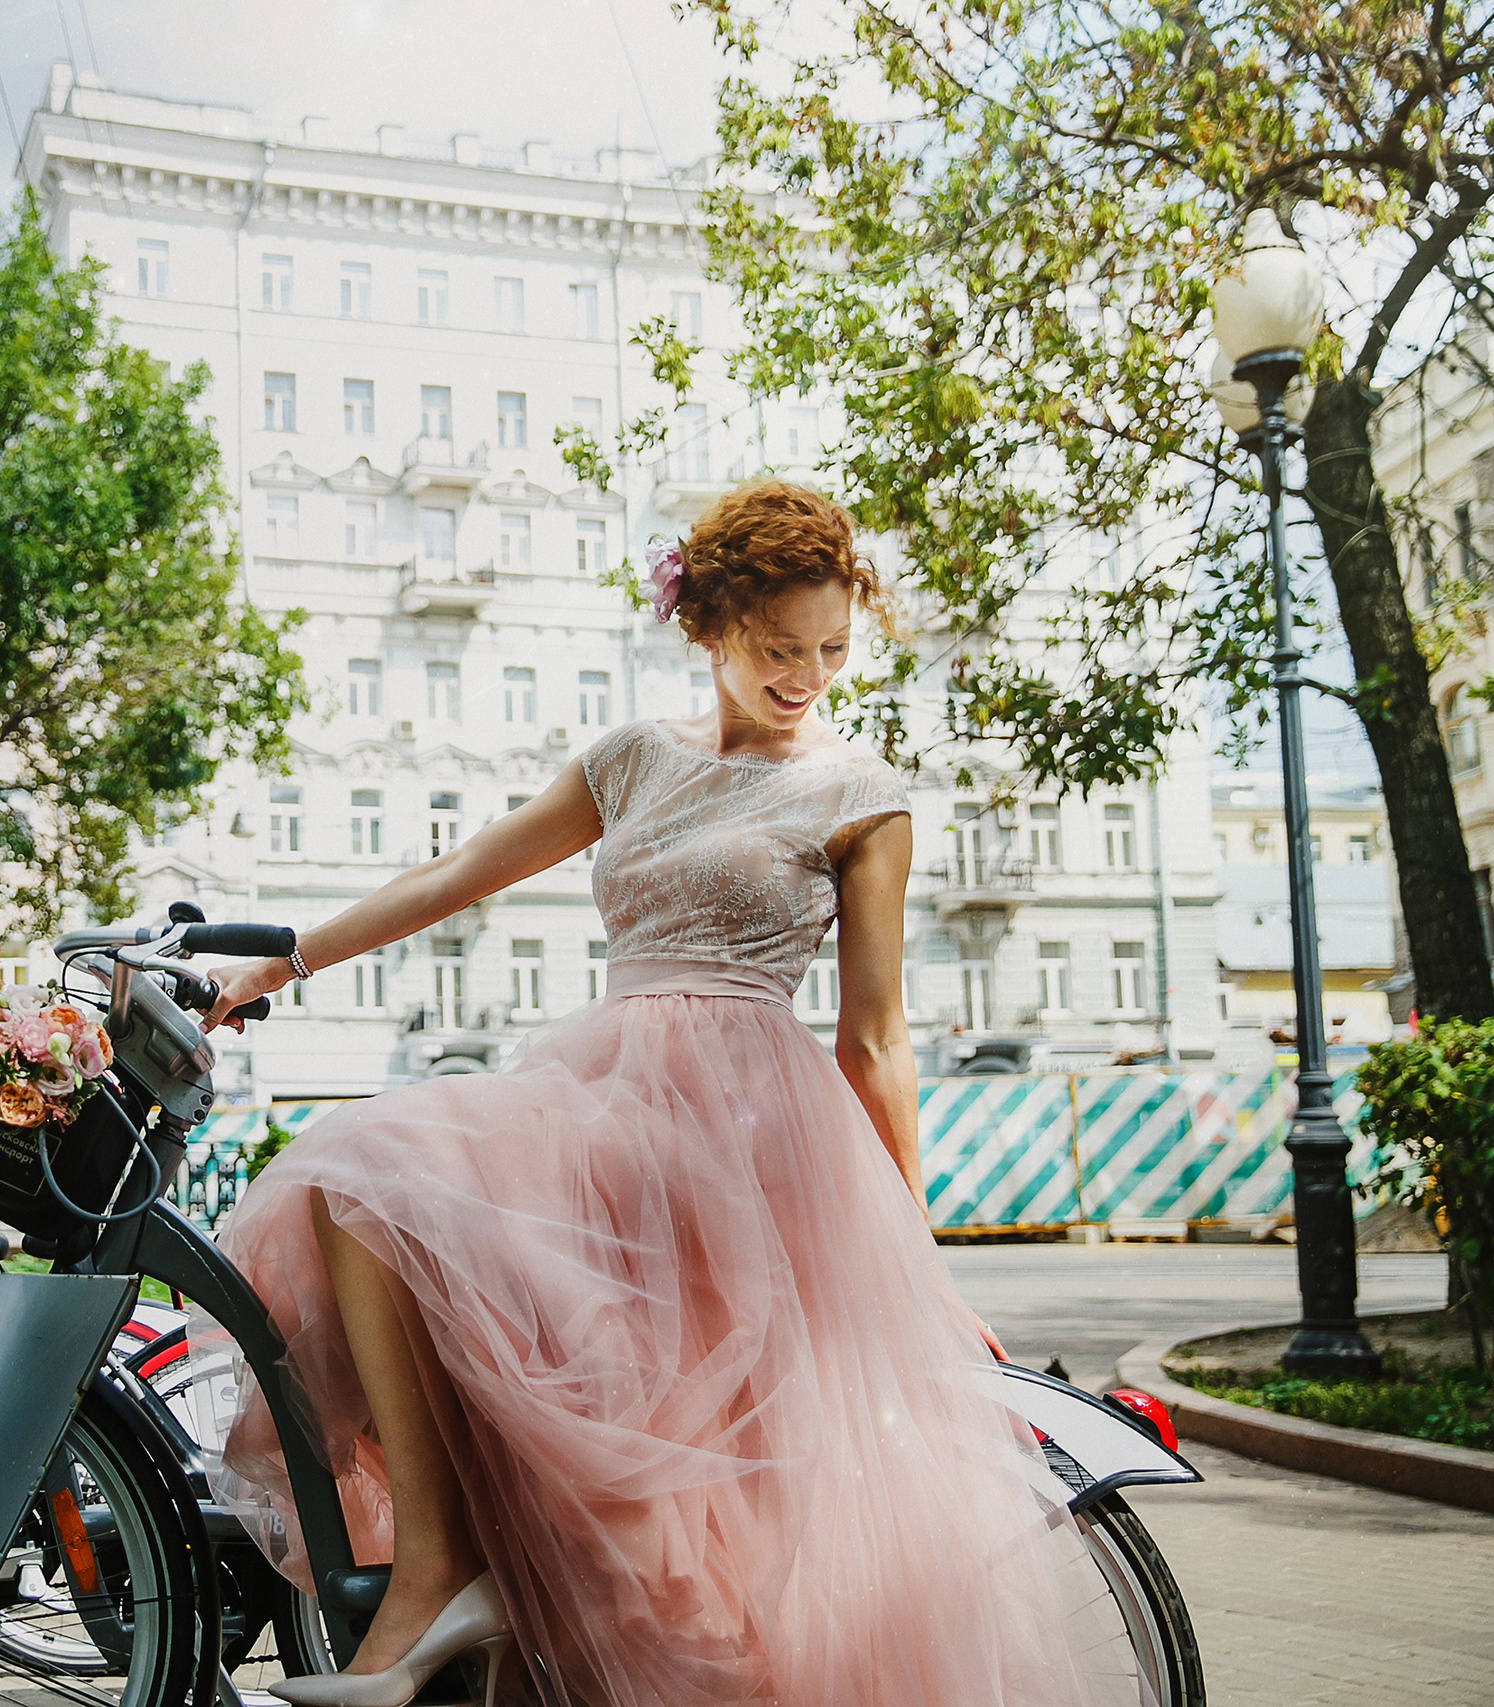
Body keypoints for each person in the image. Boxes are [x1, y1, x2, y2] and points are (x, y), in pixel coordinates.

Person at [198, 480, 1097, 1707]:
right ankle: (443, 1574)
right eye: (780, 647)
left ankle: (489, 1612)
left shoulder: (859, 793)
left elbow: (874, 1039)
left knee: (677, 1495)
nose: (807, 675)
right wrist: (284, 961)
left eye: (831, 648)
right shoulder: (631, 759)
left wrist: (919, 1265)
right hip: (604, 1094)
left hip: (744, 1137)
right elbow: (461, 872)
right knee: (361, 1189)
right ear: (710, 625)